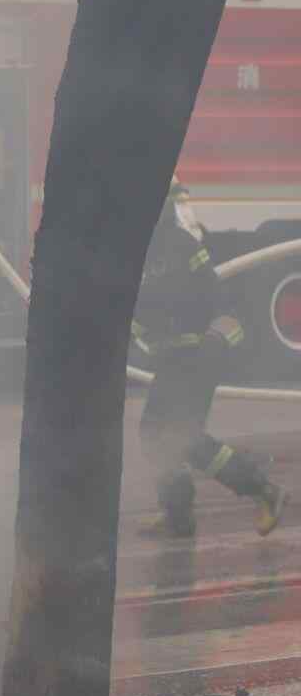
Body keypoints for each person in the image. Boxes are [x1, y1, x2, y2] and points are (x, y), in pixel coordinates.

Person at [137, 178, 289, 538]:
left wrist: (204, 340)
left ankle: (264, 490)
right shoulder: (143, 250)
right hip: (170, 357)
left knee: (183, 437)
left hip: (194, 356)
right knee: (154, 434)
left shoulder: (180, 246)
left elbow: (211, 296)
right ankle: (178, 515)